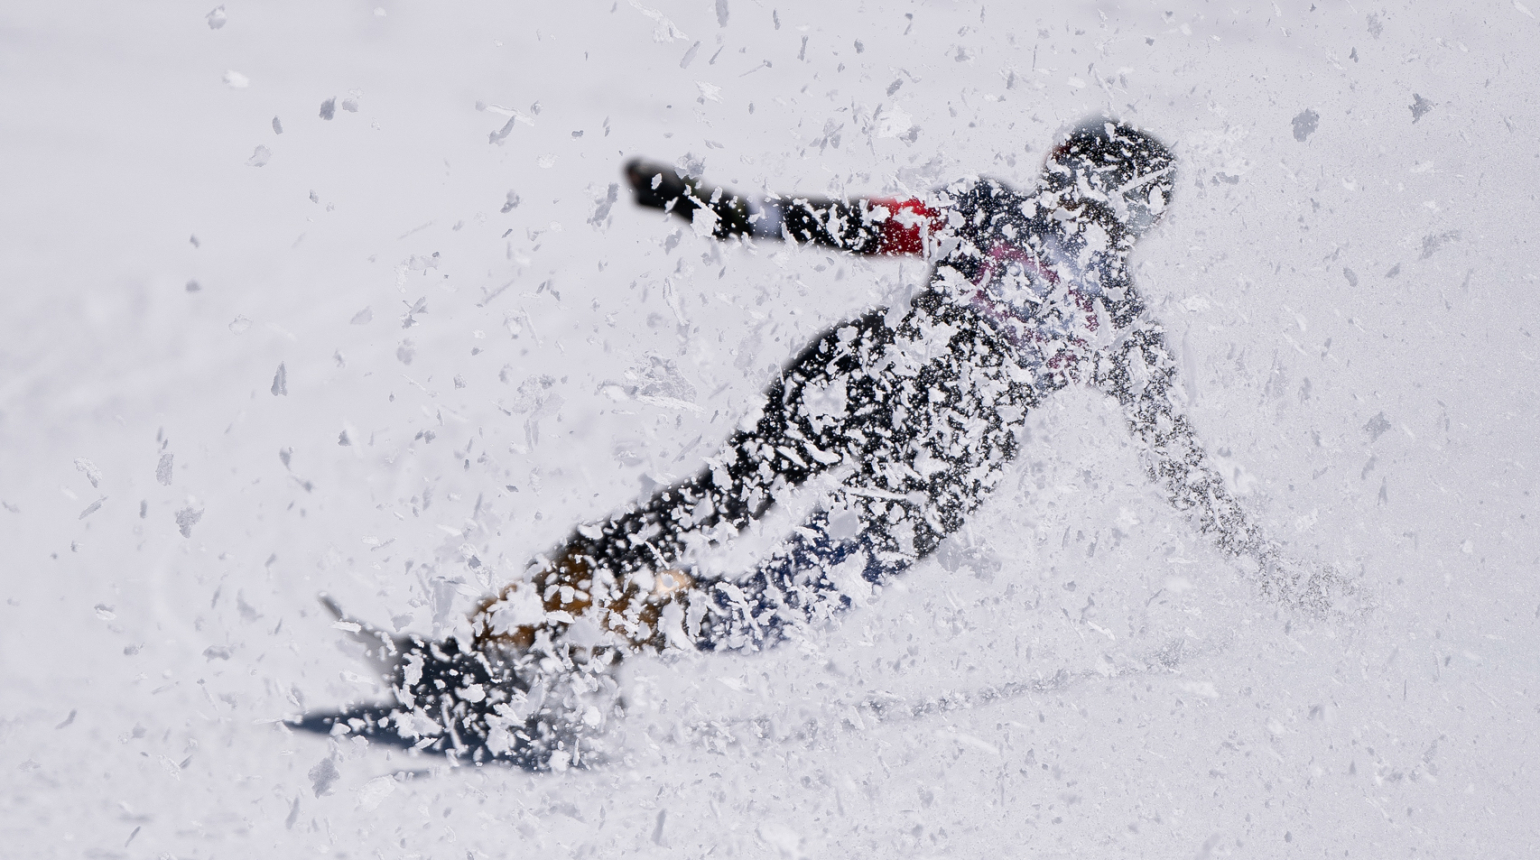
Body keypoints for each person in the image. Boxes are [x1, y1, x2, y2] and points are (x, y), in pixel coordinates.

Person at [292, 117, 1355, 769]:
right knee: (755, 608)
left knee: (705, 506)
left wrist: (716, 208)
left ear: (1067, 170)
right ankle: (556, 653)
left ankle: (508, 636)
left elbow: (850, 223)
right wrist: (1270, 567)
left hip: (863, 371)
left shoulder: (993, 210)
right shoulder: (1124, 322)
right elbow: (1183, 471)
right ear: (1142, 213)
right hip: (937, 460)